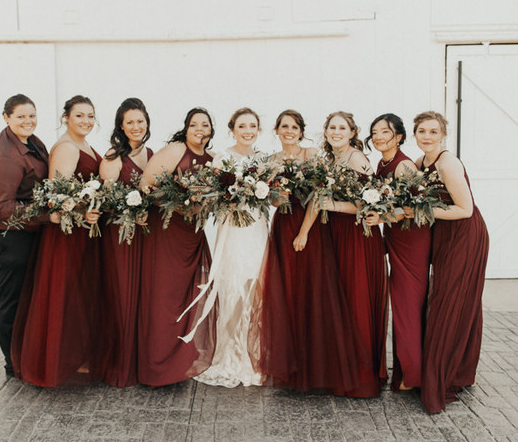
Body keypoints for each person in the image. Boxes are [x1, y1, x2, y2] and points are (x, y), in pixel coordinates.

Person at [255, 110, 364, 393]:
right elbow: (275, 202)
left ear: (301, 131)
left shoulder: (313, 154)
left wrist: (304, 232)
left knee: (314, 292)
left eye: (294, 127)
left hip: (311, 228)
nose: (289, 131)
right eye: (284, 126)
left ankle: (318, 365)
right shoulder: (270, 162)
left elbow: (319, 195)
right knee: (288, 292)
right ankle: (292, 364)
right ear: (276, 130)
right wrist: (276, 191)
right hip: (283, 226)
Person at [295, 111, 388, 397]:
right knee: (338, 301)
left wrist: (333, 206)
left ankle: (359, 375)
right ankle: (340, 367)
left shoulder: (358, 159)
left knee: (354, 298)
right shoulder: (329, 160)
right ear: (326, 132)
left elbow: (370, 204)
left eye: (342, 128)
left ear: (352, 133)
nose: (336, 132)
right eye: (331, 127)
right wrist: (304, 232)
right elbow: (317, 198)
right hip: (333, 235)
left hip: (357, 237)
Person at [11, 95, 102, 386]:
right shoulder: (66, 147)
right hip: (66, 234)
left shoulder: (84, 144)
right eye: (79, 116)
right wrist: (82, 212)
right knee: (66, 294)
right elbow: (56, 197)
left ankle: (78, 355)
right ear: (66, 117)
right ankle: (59, 360)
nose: (86, 121)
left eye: (90, 116)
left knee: (79, 294)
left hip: (81, 232)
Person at [411, 111, 489, 413]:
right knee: (452, 299)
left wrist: (419, 213)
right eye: (421, 131)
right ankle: (461, 369)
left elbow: (465, 209)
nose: (427, 136)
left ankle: (441, 376)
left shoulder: (447, 162)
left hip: (465, 236)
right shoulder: (420, 164)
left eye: (433, 131)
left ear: (443, 134)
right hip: (443, 237)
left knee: (449, 301)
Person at [0, 94, 48, 376]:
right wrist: (47, 216)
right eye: (21, 116)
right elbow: (1, 207)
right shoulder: (3, 156)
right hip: (3, 237)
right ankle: (13, 363)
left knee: (24, 297)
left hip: (21, 233)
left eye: (32, 115)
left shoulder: (32, 143)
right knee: (11, 299)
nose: (28, 121)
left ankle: (25, 355)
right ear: (6, 118)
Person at [138, 108, 216, 386]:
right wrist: (178, 206)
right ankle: (157, 364)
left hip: (193, 236)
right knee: (164, 297)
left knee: (188, 297)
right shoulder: (175, 150)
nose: (199, 128)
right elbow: (146, 186)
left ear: (210, 130)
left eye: (204, 124)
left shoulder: (214, 160)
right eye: (193, 124)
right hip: (168, 233)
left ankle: (181, 358)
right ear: (186, 128)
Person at [192, 107, 268, 388]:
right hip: (234, 229)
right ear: (232, 129)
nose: (248, 130)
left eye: (253, 125)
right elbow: (213, 199)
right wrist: (231, 200)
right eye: (242, 126)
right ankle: (232, 354)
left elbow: (270, 198)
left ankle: (255, 353)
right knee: (234, 287)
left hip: (257, 228)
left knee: (256, 286)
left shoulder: (263, 159)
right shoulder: (222, 158)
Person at [365, 114, 431, 392]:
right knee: (401, 305)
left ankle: (414, 376)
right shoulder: (381, 163)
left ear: (400, 136)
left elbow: (419, 207)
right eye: (375, 132)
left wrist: (382, 217)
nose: (379, 137)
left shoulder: (403, 165)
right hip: (395, 238)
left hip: (411, 240)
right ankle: (407, 369)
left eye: (386, 132)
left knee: (407, 307)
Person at [99, 98, 153, 387]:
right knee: (122, 295)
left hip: (146, 237)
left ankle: (141, 361)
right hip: (120, 237)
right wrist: (132, 212)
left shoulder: (153, 154)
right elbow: (106, 199)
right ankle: (121, 365)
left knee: (143, 297)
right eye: (130, 122)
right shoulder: (112, 156)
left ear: (147, 123)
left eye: (140, 121)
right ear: (121, 125)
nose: (136, 126)